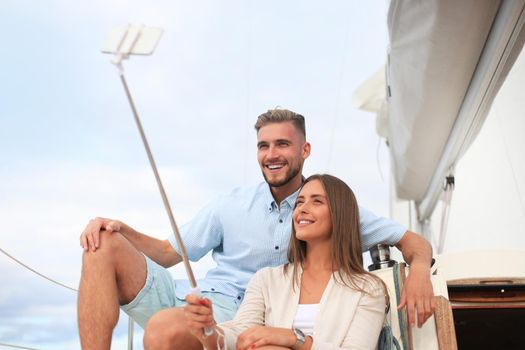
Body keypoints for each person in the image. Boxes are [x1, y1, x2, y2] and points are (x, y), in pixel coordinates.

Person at [77, 109, 434, 350]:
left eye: (282, 144)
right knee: (103, 243)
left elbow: (412, 243)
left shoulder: (335, 209)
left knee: (175, 331)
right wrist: (122, 230)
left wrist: (420, 271)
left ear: (305, 150)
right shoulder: (230, 205)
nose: (271, 154)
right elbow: (168, 254)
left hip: (257, 317)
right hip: (205, 305)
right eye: (264, 145)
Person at [185, 174, 387, 350]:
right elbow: (241, 336)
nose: (302, 209)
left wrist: (293, 338)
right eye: (299, 202)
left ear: (340, 215)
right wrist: (209, 329)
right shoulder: (266, 280)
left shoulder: (369, 289)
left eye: (316, 202)